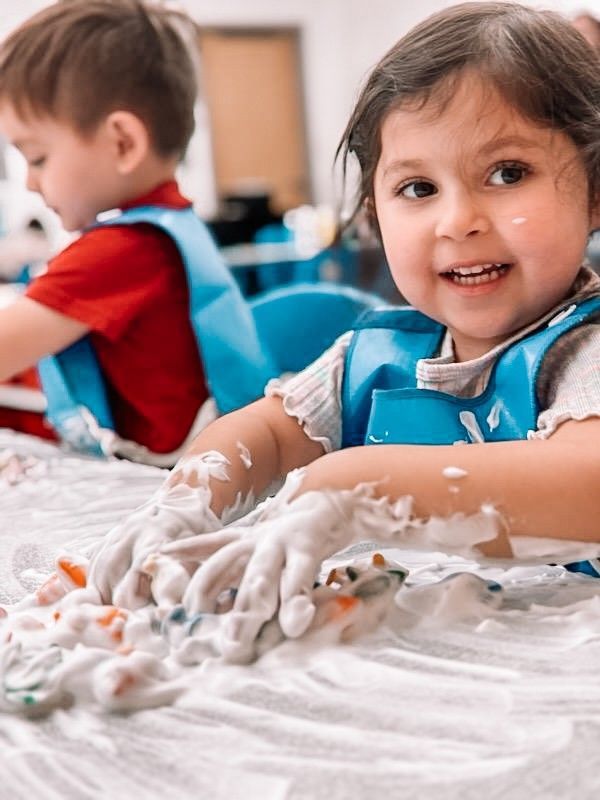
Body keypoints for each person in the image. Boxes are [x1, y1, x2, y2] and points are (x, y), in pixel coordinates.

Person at [88, 1, 600, 661]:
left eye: (507, 173)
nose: (457, 220)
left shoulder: (581, 348)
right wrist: (190, 498)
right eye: (418, 188)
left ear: (593, 193)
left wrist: (353, 492)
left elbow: (587, 480)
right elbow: (266, 433)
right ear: (373, 214)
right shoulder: (372, 356)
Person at [0, 0, 271, 465]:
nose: (29, 181)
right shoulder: (174, 226)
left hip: (170, 486)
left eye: (38, 157)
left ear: (123, 143)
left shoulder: (120, 249)